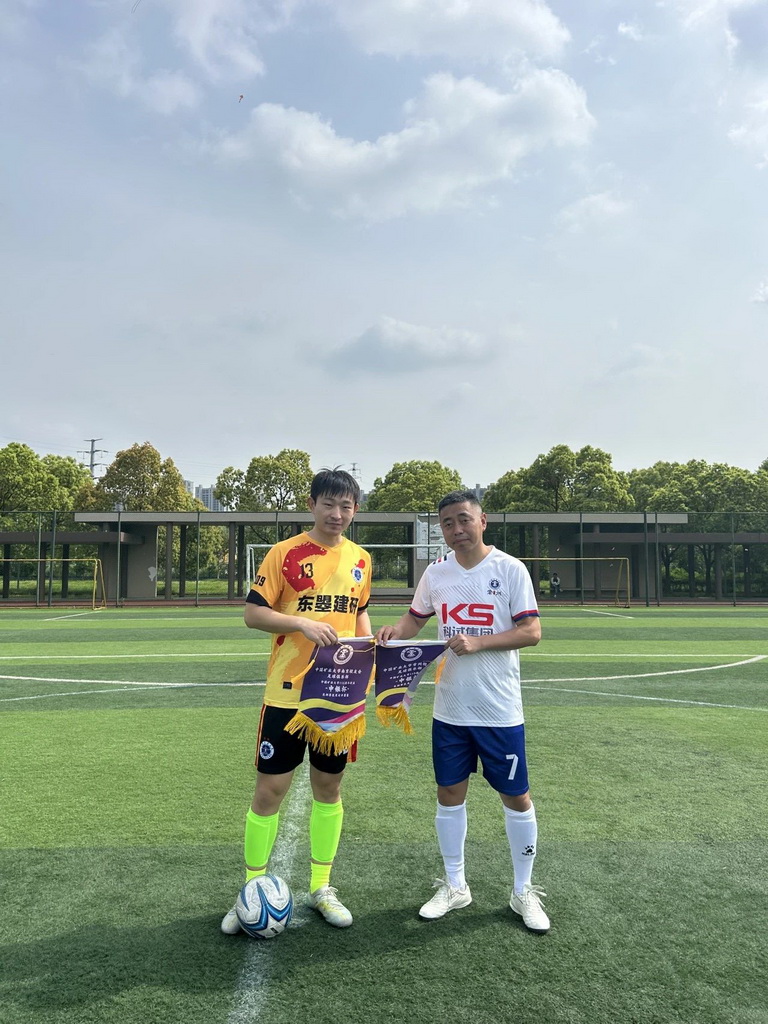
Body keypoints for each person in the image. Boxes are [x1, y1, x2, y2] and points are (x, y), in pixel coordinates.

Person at [375, 489, 549, 932]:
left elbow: (531, 631)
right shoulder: (436, 573)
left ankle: (523, 890)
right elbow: (415, 619)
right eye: (448, 523)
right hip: (450, 709)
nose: (456, 529)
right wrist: (394, 632)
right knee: (449, 795)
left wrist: (479, 642)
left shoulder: (510, 569)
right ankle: (455, 886)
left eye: (464, 519)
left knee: (516, 797)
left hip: (498, 710)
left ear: (482, 520)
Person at [221, 468, 372, 933]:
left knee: (329, 789)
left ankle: (322, 888)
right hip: (286, 694)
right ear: (312, 505)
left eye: (346, 506)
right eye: (328, 504)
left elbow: (360, 616)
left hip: (336, 697)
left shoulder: (361, 559)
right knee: (270, 790)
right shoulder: (284, 553)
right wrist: (301, 623)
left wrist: (367, 665)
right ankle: (251, 890)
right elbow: (253, 614)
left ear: (355, 510)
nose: (336, 513)